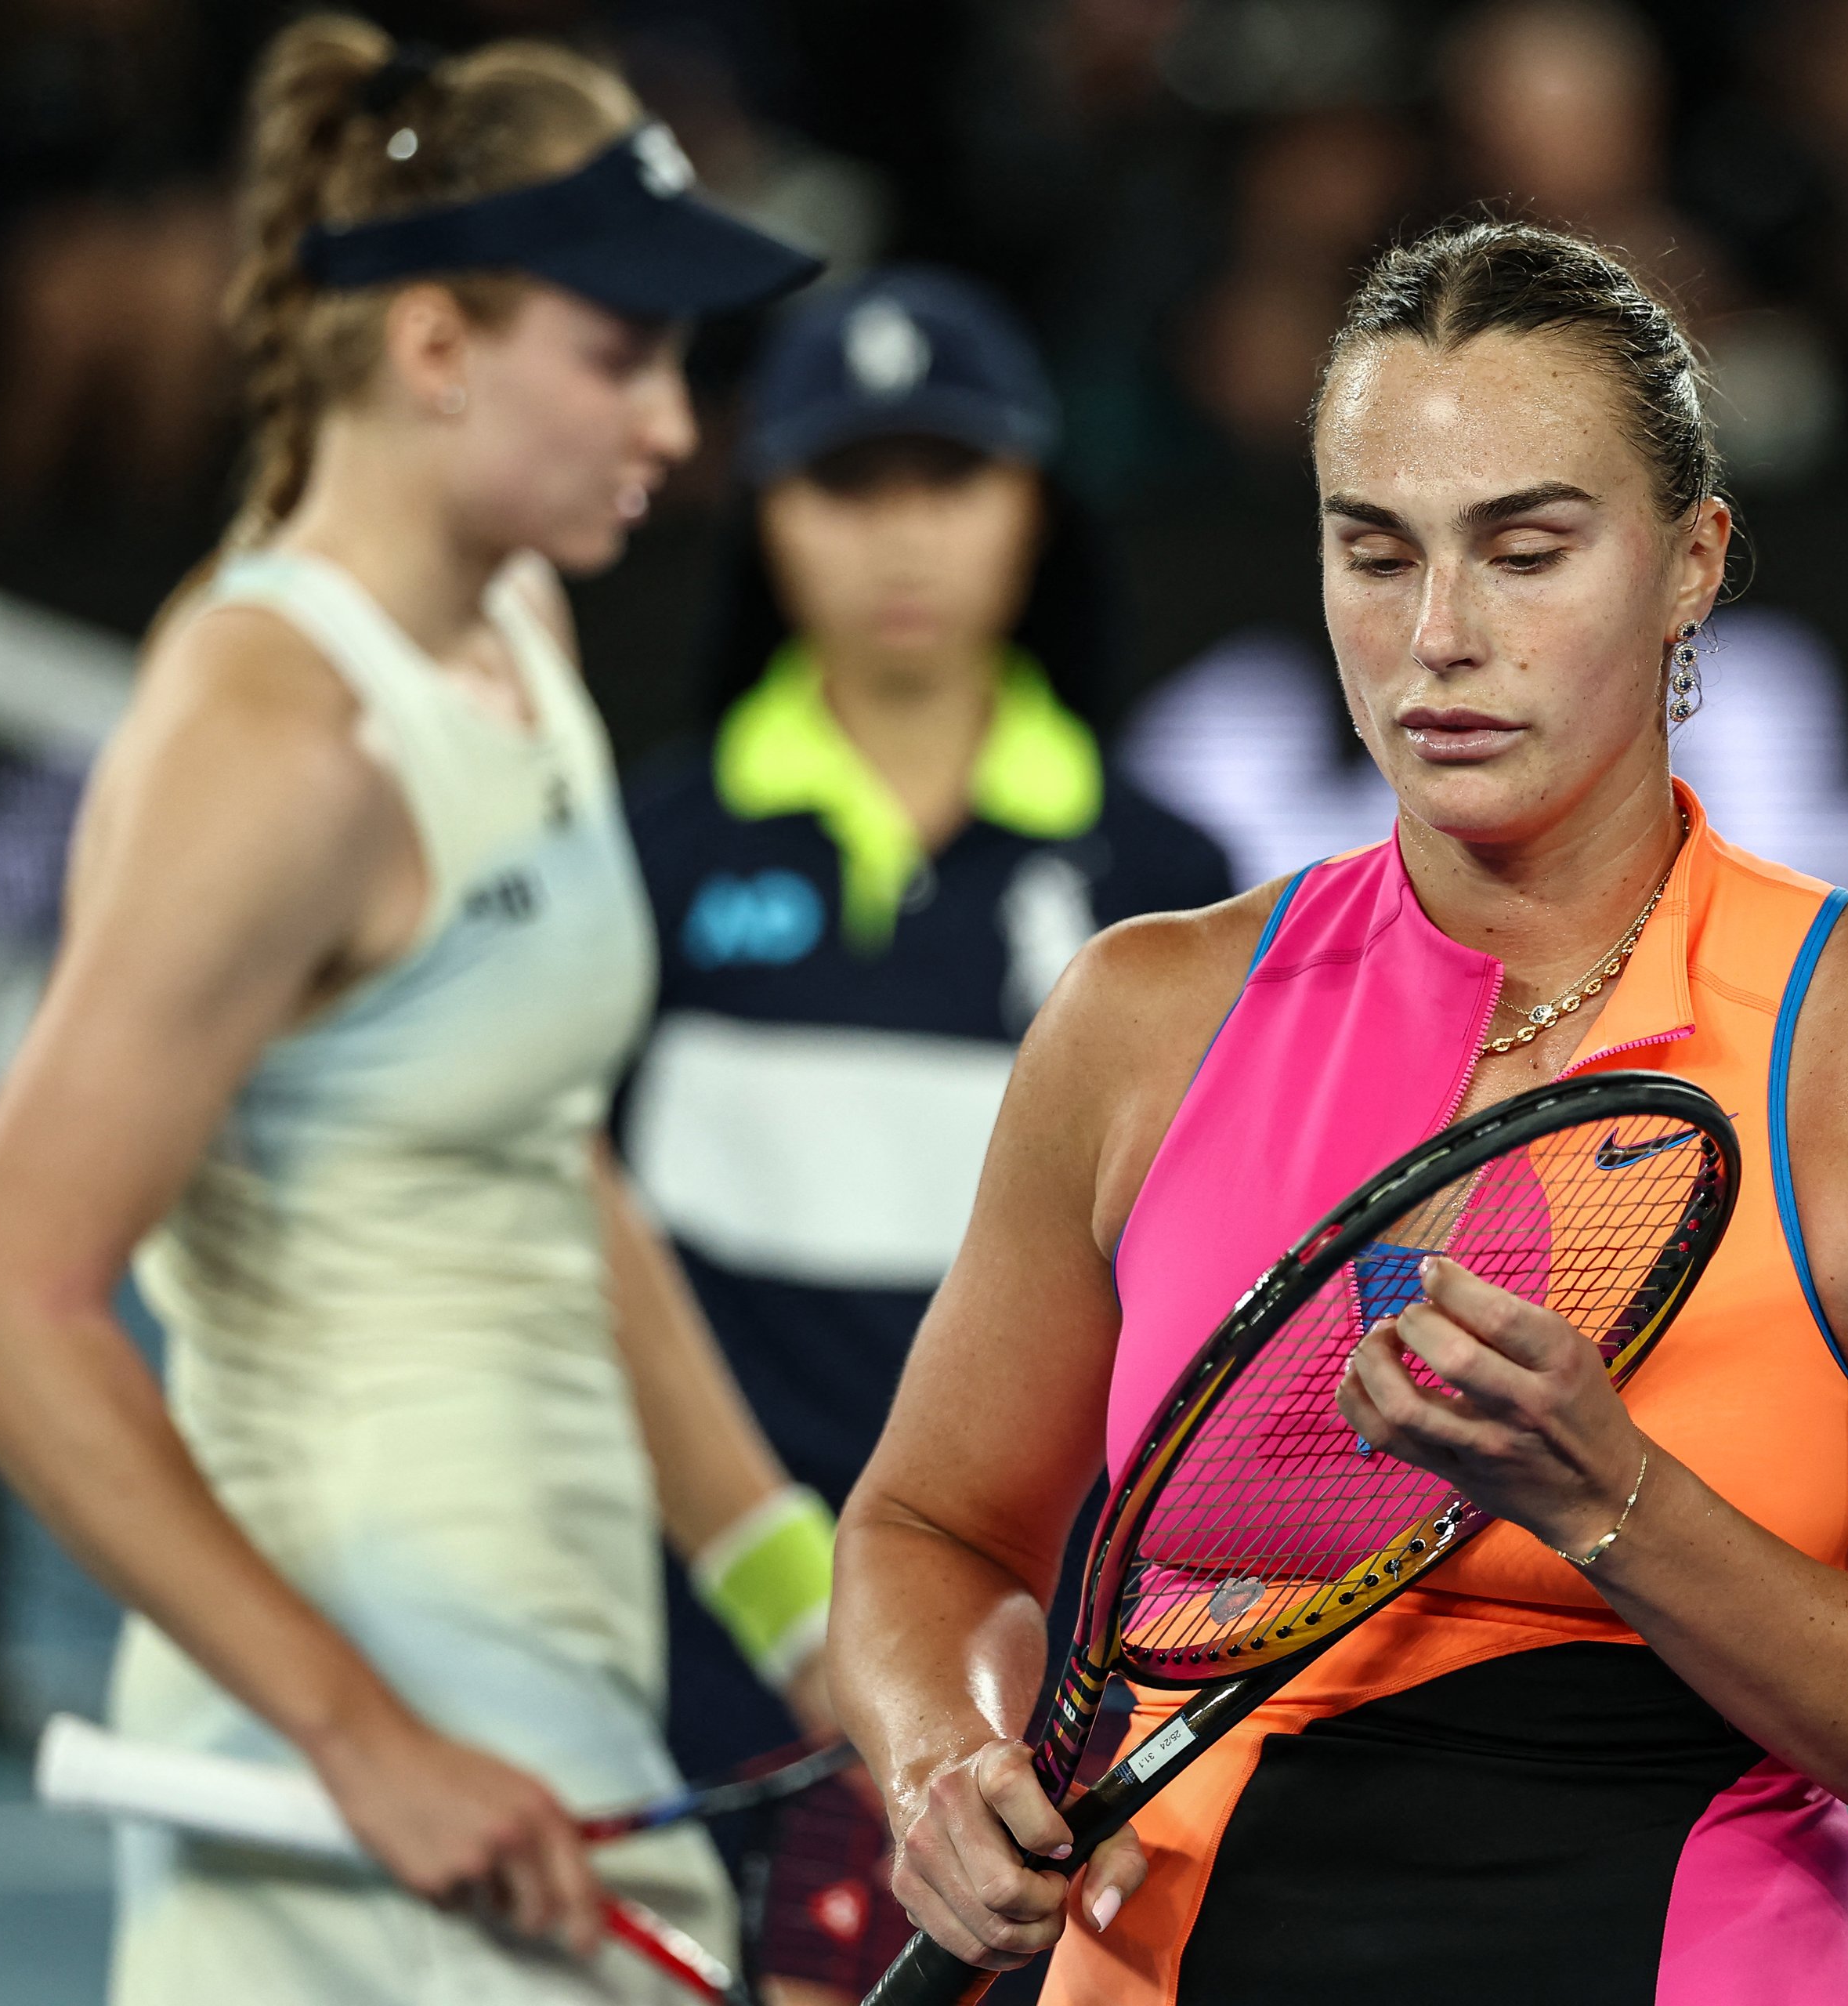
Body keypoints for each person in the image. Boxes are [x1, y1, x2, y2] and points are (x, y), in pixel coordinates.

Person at [830, 221, 1848, 2003]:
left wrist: (1614, 1497)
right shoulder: (1143, 1021)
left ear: (1692, 565)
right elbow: (931, 1530)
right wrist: (943, 1760)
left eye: (1526, 550)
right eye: (1377, 553)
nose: (1439, 637)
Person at [0, 19, 835, 2001]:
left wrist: (797, 1602)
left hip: (544, 1691)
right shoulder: (280, 739)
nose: (676, 424)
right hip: (373, 1773)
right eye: (620, 355)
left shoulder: (519, 615)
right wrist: (365, 1736)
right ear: (434, 349)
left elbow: (549, 1156)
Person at [616, 264, 1232, 2001]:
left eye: (949, 479)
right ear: (766, 519)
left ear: (1037, 504)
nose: (901, 539)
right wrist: (784, 1604)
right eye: (843, 483)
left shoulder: (1167, 887)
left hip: (1051, 1681)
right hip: (723, 1672)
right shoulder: (643, 860)